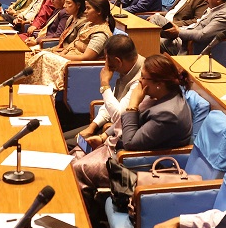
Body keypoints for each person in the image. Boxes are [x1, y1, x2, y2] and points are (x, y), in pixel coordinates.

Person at [72, 53, 194, 189]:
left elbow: (131, 144)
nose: (140, 81)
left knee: (77, 169)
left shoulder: (168, 115)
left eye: (143, 77)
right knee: (76, 153)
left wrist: (133, 105)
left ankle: (86, 202)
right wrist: (103, 136)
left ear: (159, 84)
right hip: (118, 146)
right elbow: (130, 121)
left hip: (135, 164)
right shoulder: (160, 94)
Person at [66, 34, 141, 149]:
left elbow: (120, 117)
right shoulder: (128, 68)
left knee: (65, 145)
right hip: (108, 127)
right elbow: (110, 102)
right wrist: (92, 127)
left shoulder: (141, 79)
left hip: (118, 136)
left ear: (118, 61)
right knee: (62, 137)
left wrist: (105, 84)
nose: (106, 64)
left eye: (107, 59)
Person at [27, 0, 114, 89]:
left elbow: (86, 58)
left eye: (88, 8)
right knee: (32, 55)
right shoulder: (89, 25)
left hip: (75, 66)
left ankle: (38, 91)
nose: (85, 11)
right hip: (68, 57)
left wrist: (61, 56)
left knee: (42, 57)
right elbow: (73, 43)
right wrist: (60, 52)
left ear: (99, 12)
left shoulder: (101, 33)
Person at [160, 0, 226, 56]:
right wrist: (180, 30)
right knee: (157, 30)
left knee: (156, 42)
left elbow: (202, 35)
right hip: (187, 39)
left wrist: (179, 32)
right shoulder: (214, 9)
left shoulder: (224, 15)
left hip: (194, 48)